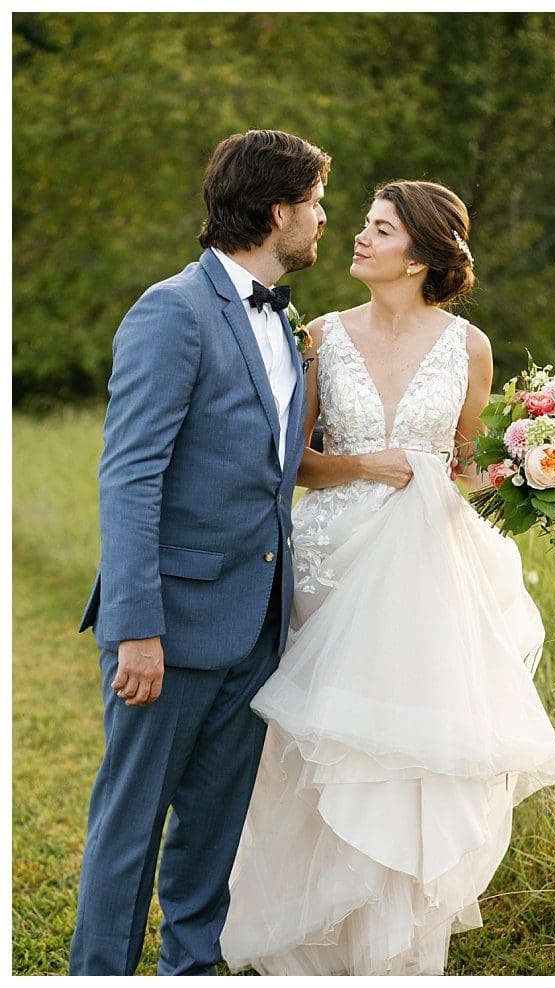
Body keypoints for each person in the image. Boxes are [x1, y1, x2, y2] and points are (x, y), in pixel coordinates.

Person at [218, 180, 555, 974]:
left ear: (420, 254)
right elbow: (295, 464)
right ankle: (304, 940)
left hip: (427, 572)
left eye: (379, 230)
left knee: (409, 757)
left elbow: (473, 465)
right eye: (364, 226)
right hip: (332, 569)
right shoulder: (319, 336)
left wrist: (544, 467)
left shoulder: (468, 346)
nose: (359, 239)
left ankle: (394, 948)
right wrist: (366, 464)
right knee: (320, 755)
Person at [71, 129, 328, 976]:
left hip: (254, 626)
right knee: (132, 823)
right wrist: (137, 627)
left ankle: (193, 966)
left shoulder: (285, 325)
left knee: (213, 826)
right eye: (318, 204)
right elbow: (130, 479)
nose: (324, 220)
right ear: (278, 211)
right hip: (170, 627)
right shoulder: (171, 311)